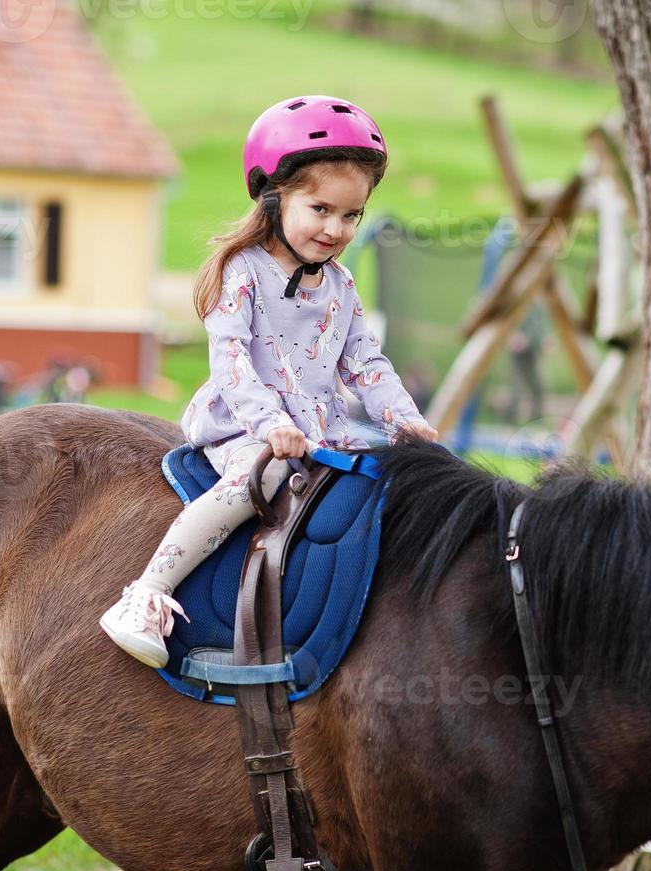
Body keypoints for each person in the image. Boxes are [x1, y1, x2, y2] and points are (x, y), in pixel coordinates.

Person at [99, 95, 438, 668]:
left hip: (318, 429)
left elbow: (366, 363)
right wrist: (271, 423)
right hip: (246, 425)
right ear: (275, 197)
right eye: (321, 208)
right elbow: (229, 361)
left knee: (400, 476)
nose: (336, 229)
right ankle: (149, 592)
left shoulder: (342, 285)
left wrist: (404, 420)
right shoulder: (244, 272)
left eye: (351, 215)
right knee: (264, 473)